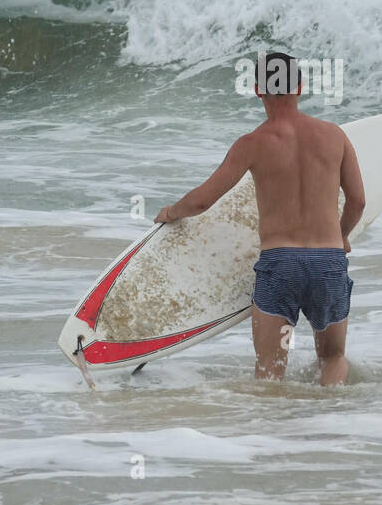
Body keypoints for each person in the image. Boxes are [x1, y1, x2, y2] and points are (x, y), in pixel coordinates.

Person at [154, 52, 364, 385]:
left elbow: (203, 200)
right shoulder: (334, 136)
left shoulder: (252, 144)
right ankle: (332, 421)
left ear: (256, 90)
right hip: (328, 262)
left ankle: (271, 430)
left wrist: (170, 212)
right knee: (333, 358)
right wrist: (341, 235)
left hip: (280, 266)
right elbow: (357, 200)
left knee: (270, 368)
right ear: (299, 86)